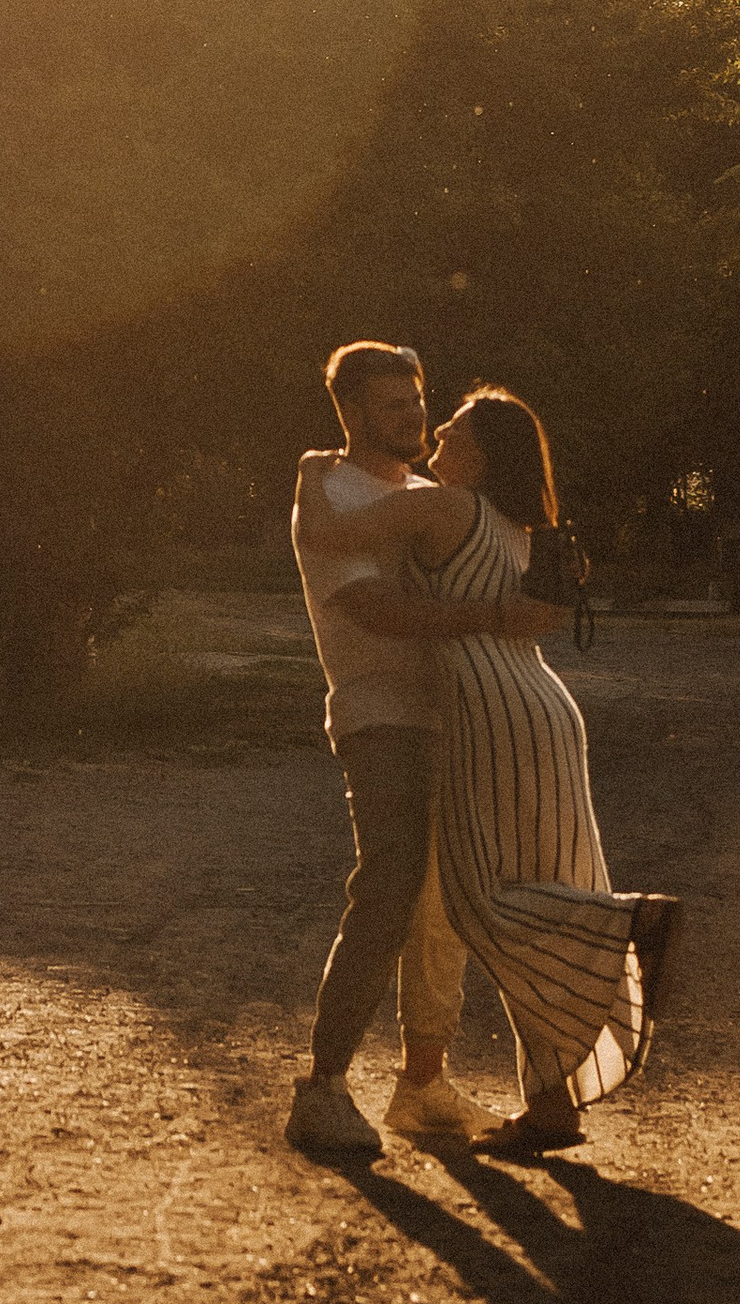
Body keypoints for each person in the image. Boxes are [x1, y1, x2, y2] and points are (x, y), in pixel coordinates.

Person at [296, 380, 680, 1161]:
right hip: (542, 702)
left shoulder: (440, 507)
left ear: (479, 455)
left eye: (452, 430)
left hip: (491, 707)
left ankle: (620, 925)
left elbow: (329, 532)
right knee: (549, 870)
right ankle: (551, 1107)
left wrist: (307, 469)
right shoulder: (514, 526)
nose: (435, 432)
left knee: (478, 901)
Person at [286, 341, 571, 1159]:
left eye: (417, 402)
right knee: (388, 883)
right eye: (392, 405)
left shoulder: (428, 490)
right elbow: (374, 608)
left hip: (459, 714)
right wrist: (494, 619)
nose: (412, 417)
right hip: (380, 713)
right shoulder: (330, 488)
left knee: (446, 902)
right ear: (351, 413)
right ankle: (324, 1085)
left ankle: (422, 1084)